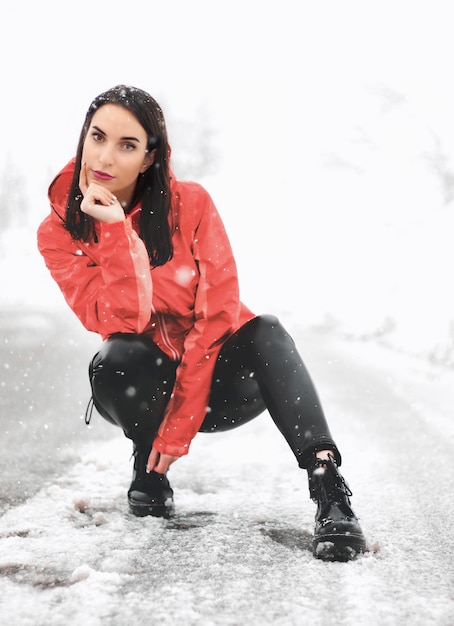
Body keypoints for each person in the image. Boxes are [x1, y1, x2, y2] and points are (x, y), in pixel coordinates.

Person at [37, 85, 366, 561]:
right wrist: (113, 232)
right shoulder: (60, 232)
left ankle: (328, 485)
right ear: (84, 137)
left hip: (221, 387)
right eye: (98, 136)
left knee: (267, 330)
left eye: (127, 145)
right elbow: (121, 318)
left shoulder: (190, 205)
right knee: (119, 354)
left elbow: (218, 317)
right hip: (146, 383)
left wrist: (182, 427)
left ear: (149, 158)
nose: (105, 156)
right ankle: (148, 461)